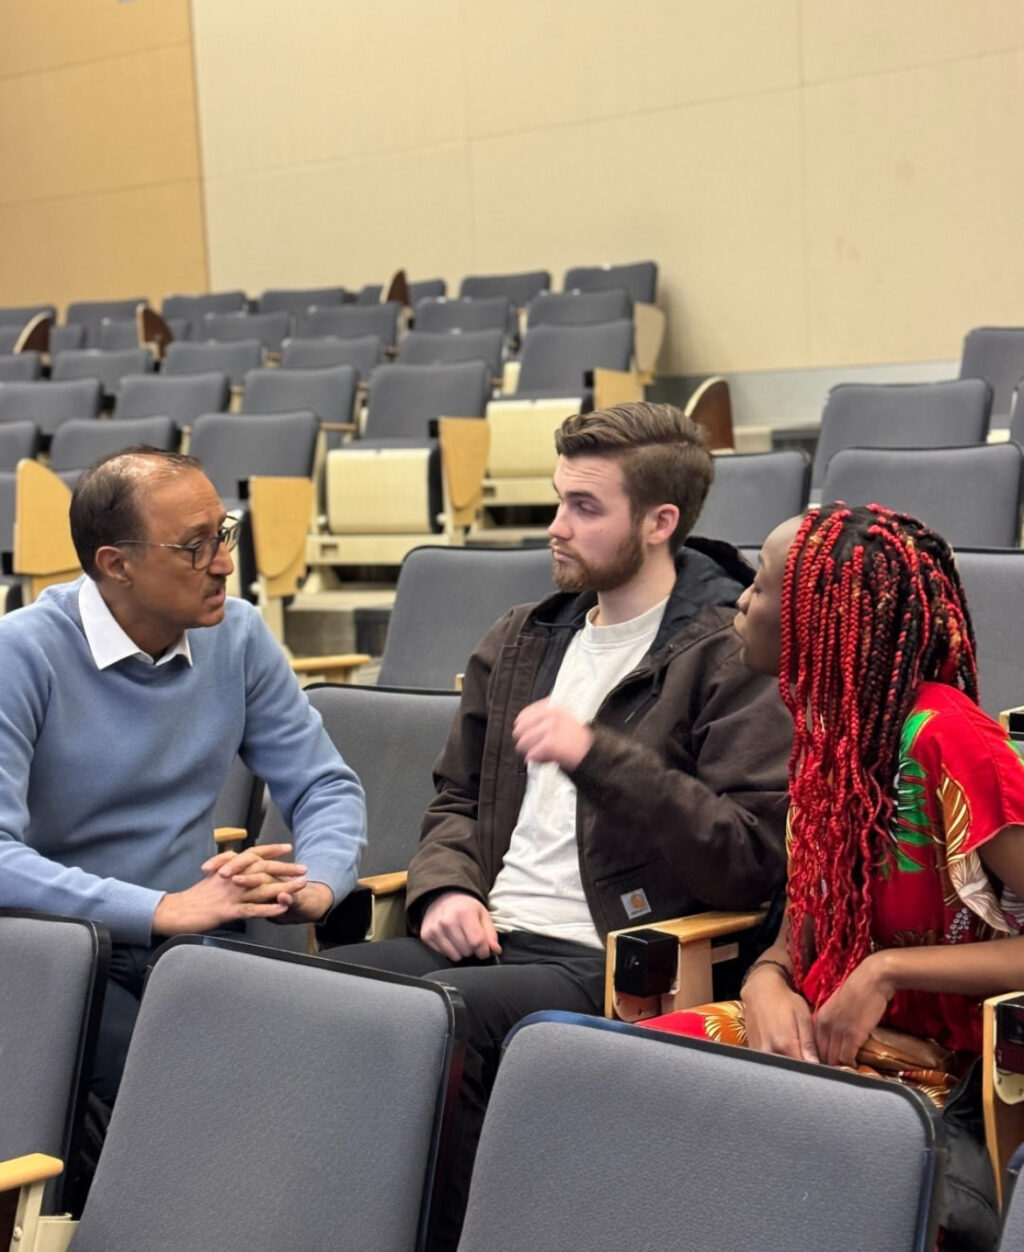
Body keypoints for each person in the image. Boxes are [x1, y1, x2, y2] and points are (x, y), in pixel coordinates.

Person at [323, 401, 791, 1247]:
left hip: (616, 956)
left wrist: (599, 755)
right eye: (557, 500)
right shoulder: (523, 641)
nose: (556, 527)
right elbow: (457, 801)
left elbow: (750, 860)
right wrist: (443, 890)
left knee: (434, 1019)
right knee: (307, 995)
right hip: (486, 932)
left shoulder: (731, 652)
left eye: (584, 507)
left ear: (660, 522)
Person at [644, 502, 1024, 1251]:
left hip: (945, 1074)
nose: (740, 604)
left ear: (821, 617)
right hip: (828, 1043)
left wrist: (885, 970)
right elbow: (796, 939)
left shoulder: (950, 740)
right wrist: (764, 985)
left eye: (760, 586)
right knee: (612, 1075)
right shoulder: (829, 745)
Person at [0, 447, 366, 1109]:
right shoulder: (21, 654)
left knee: (315, 1075)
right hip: (60, 947)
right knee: (171, 1096)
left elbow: (323, 786)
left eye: (222, 533)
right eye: (195, 547)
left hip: (199, 939)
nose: (225, 562)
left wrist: (319, 881)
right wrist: (160, 908)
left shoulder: (240, 636)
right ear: (118, 565)